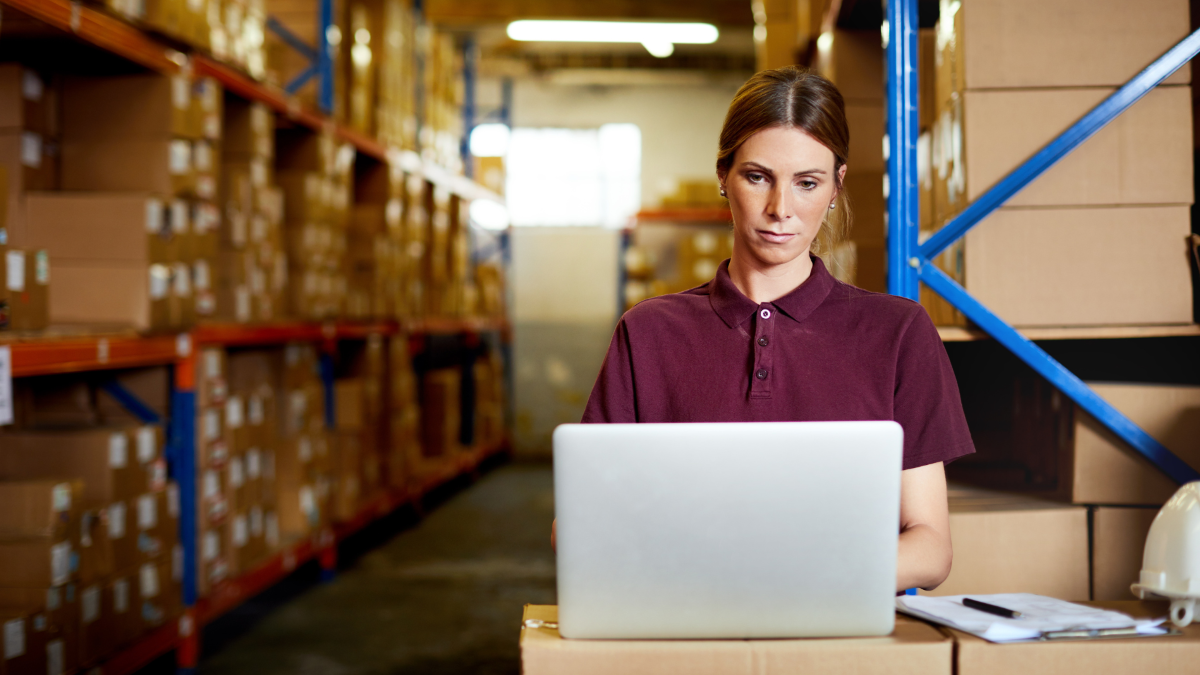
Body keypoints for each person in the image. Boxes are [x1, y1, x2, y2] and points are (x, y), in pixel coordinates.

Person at [568, 66, 974, 593]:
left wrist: (794, 580)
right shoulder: (648, 333)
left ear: (836, 187)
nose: (781, 210)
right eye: (757, 176)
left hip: (839, 624)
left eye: (807, 183)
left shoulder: (897, 332)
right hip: (684, 614)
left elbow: (930, 545)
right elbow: (579, 527)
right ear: (723, 175)